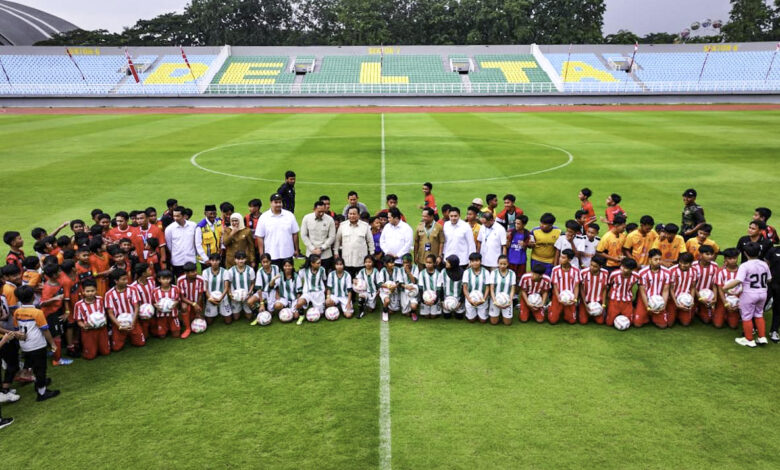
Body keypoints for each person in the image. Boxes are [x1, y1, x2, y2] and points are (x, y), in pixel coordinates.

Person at [13, 285, 60, 401]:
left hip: (25, 344)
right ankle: (42, 393)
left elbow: (16, 329)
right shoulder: (37, 312)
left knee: (34, 366)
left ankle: (40, 384)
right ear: (34, 296)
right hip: (37, 344)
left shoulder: (17, 312)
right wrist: (52, 344)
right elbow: (45, 330)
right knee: (41, 369)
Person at [723, 242, 771, 347]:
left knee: (747, 316)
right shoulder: (764, 264)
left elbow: (738, 280)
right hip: (763, 293)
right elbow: (769, 279)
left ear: (745, 253)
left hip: (749, 294)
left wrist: (725, 288)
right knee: (759, 314)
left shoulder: (744, 266)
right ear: (759, 252)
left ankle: (749, 339)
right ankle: (762, 337)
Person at [255, 193, 300, 269]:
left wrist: (296, 249)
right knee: (274, 278)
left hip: (287, 253)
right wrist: (262, 254)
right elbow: (260, 237)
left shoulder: (289, 215)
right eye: (276, 202)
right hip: (271, 254)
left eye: (280, 202)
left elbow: (295, 233)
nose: (278, 204)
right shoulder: (264, 217)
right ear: (271, 203)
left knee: (288, 276)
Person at [105, 269, 145, 351]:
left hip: (133, 321)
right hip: (118, 324)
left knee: (140, 343)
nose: (126, 281)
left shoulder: (133, 289)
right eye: (123, 279)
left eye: (126, 278)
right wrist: (119, 326)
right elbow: (110, 313)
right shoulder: (109, 294)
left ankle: (130, 335)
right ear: (116, 281)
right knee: (116, 348)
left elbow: (137, 307)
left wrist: (133, 323)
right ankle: (112, 334)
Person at [74, 280, 110, 360]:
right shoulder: (79, 305)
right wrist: (84, 326)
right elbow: (78, 320)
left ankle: (101, 346)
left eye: (92, 291)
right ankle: (89, 349)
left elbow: (104, 314)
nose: (90, 293)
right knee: (90, 356)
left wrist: (104, 322)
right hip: (88, 331)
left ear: (96, 290)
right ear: (83, 292)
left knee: (106, 352)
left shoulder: (100, 300)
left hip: (101, 329)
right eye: (88, 291)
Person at [634, 249, 670, 328]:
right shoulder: (642, 272)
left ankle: (653, 316)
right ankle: (641, 313)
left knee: (662, 326)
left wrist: (663, 305)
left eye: (660, 259)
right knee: (637, 324)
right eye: (656, 259)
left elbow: (665, 290)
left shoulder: (667, 272)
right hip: (645, 299)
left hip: (659, 299)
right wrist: (648, 306)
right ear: (650, 260)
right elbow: (642, 291)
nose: (658, 261)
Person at [335, 206, 374, 278]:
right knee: (348, 281)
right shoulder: (343, 225)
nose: (352, 216)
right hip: (347, 260)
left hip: (361, 260)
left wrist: (371, 254)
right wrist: (336, 252)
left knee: (361, 282)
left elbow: (370, 241)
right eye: (350, 214)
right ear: (347, 215)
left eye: (354, 214)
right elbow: (337, 240)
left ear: (358, 215)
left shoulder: (365, 226)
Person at [300, 201, 336, 271]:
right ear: (314, 209)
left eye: (323, 211)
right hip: (311, 253)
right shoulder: (307, 218)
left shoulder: (330, 220)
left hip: (326, 254)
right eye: (319, 211)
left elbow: (332, 236)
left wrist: (322, 248)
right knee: (310, 275)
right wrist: (312, 248)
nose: (321, 213)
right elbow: (304, 235)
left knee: (325, 276)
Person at [164, 207, 198, 278]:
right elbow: (169, 245)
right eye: (174, 216)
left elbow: (196, 242)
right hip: (177, 261)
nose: (175, 218)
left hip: (191, 259)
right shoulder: (169, 229)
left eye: (178, 216)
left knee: (193, 280)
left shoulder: (193, 226)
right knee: (180, 281)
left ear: (184, 216)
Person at [549, 249, 581, 324]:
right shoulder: (555, 269)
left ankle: (568, 311)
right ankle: (551, 306)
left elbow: (576, 285)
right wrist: (558, 298)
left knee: (572, 321)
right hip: (558, 296)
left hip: (570, 297)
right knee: (553, 321)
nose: (560, 259)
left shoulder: (576, 270)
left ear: (569, 260)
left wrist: (575, 299)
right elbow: (555, 285)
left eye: (563, 258)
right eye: (560, 256)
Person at [668, 253, 699, 327]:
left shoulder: (694, 271)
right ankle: (674, 312)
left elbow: (693, 287)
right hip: (673, 299)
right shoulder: (672, 270)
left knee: (686, 323)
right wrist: (676, 303)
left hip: (686, 298)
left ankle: (681, 314)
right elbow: (670, 288)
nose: (682, 265)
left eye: (685, 263)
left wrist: (691, 300)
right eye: (681, 262)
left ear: (691, 263)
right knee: (669, 324)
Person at [294, 255, 327, 324]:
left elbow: (324, 280)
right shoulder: (304, 270)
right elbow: (297, 278)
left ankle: (314, 306)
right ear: (312, 263)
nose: (320, 264)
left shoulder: (322, 270)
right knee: (299, 303)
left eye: (320, 263)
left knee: (320, 315)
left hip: (319, 293)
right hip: (307, 293)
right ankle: (301, 315)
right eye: (318, 263)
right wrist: (299, 292)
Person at [605, 258, 639, 326]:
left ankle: (631, 311)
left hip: (627, 301)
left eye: (625, 268)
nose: (622, 269)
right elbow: (609, 284)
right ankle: (607, 312)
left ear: (631, 270)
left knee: (630, 322)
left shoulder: (636, 276)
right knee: (609, 323)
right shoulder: (614, 274)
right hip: (614, 300)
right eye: (622, 266)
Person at [714, 248, 741, 330]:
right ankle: (719, 312)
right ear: (725, 259)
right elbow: (720, 289)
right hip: (723, 300)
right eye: (730, 258)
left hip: (736, 300)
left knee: (733, 326)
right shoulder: (720, 271)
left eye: (735, 258)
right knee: (718, 325)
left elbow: (745, 290)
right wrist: (726, 303)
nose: (732, 260)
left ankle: (732, 314)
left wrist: (739, 304)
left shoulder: (742, 271)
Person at [176, 262, 204, 336]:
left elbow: (200, 295)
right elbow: (182, 297)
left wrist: (197, 305)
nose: (195, 273)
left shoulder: (200, 279)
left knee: (200, 318)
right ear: (186, 273)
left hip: (197, 301)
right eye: (192, 272)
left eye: (195, 271)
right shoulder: (180, 280)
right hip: (186, 301)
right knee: (184, 307)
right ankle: (188, 328)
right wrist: (193, 304)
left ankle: (194, 316)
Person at [579, 255, 608, 325]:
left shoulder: (605, 273)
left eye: (595, 266)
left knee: (600, 322)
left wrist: (603, 305)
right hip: (586, 301)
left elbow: (604, 289)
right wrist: (585, 304)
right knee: (583, 322)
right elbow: (581, 289)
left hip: (598, 302)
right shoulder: (583, 272)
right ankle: (580, 309)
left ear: (600, 267)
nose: (592, 267)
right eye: (591, 265)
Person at [152, 270, 182, 339]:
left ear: (171, 279)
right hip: (161, 316)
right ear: (159, 279)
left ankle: (172, 326)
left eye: (168, 278)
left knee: (176, 335)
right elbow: (153, 302)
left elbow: (178, 299)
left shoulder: (175, 288)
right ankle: (165, 328)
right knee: (162, 336)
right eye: (164, 279)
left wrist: (176, 303)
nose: (166, 281)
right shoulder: (155, 291)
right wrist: (156, 306)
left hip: (173, 315)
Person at [203, 253, 232, 324]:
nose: (215, 262)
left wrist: (220, 298)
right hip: (211, 297)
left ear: (220, 261)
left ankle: (221, 310)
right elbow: (205, 288)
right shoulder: (205, 272)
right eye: (212, 260)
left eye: (217, 260)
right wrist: (210, 298)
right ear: (210, 261)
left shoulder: (225, 271)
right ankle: (215, 311)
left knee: (228, 321)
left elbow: (226, 287)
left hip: (223, 297)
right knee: (209, 322)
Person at [130, 263, 156, 339]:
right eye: (148, 270)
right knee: (145, 337)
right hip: (142, 314)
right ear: (143, 274)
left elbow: (154, 293)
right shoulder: (133, 287)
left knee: (158, 334)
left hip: (153, 310)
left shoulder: (151, 280)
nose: (151, 271)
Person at [462, 253, 490, 324]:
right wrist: (469, 300)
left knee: (483, 321)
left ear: (481, 261)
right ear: (470, 262)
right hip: (470, 300)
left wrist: (483, 300)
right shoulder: (466, 272)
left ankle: (480, 312)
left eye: (477, 260)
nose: (475, 263)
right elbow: (465, 288)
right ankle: (471, 312)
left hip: (482, 300)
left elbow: (487, 288)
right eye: (472, 261)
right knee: (471, 320)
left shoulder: (486, 272)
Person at [227, 251, 255, 321]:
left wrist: (250, 292)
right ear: (235, 260)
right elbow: (228, 284)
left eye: (242, 259)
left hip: (247, 296)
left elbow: (252, 283)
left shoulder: (250, 270)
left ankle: (249, 308)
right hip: (235, 297)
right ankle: (240, 308)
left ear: (245, 259)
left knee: (249, 317)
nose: (240, 261)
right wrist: (230, 294)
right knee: (236, 318)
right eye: (238, 259)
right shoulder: (231, 271)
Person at [489, 255, 516, 326]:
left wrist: (509, 301)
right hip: (495, 300)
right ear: (498, 263)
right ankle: (497, 313)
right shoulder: (493, 273)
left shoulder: (512, 273)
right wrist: (495, 301)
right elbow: (491, 289)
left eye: (504, 264)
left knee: (507, 323)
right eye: (501, 264)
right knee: (494, 322)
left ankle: (503, 313)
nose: (503, 266)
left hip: (507, 300)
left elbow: (513, 289)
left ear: (508, 264)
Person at [417, 254, 442, 319]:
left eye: (430, 263)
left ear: (434, 263)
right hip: (425, 298)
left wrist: (435, 301)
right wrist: (423, 300)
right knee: (427, 316)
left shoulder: (438, 274)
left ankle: (436, 310)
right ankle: (425, 309)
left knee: (433, 317)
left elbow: (439, 289)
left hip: (435, 298)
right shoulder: (422, 273)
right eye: (427, 262)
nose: (428, 264)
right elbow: (420, 288)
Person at [441, 255, 465, 319]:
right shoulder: (443, 271)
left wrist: (460, 302)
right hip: (447, 298)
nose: (446, 263)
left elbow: (464, 289)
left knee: (459, 317)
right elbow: (440, 287)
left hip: (458, 298)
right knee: (447, 317)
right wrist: (442, 301)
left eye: (448, 262)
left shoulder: (463, 273)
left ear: (453, 264)